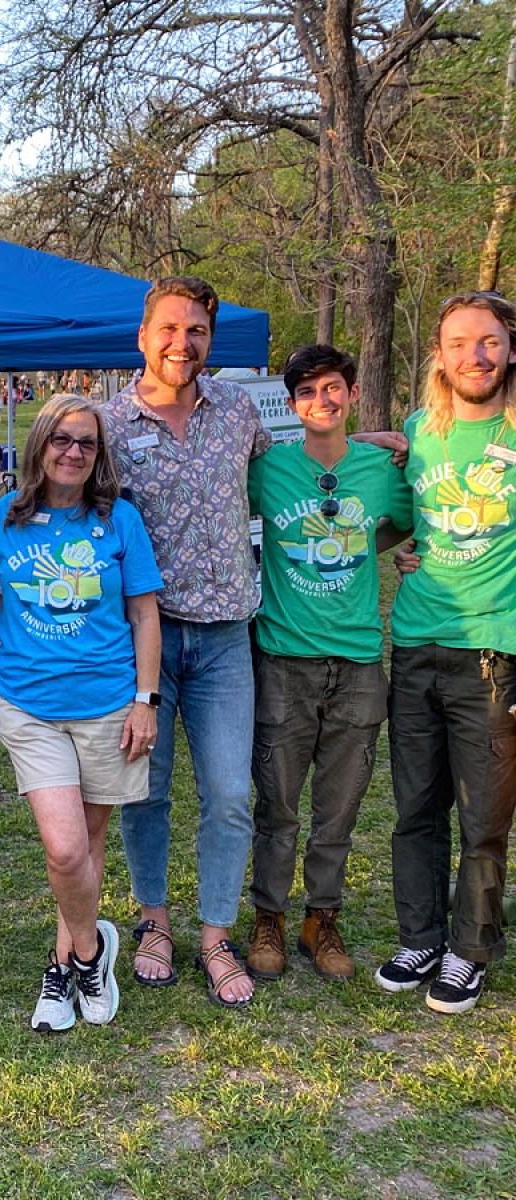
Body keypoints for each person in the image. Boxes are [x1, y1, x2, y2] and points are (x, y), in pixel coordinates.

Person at [100, 276, 271, 1007]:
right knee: (147, 789)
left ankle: (215, 934)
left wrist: (370, 451)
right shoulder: (106, 424)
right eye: (169, 329)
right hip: (146, 636)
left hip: (228, 636)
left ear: (211, 339)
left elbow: (291, 474)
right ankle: (154, 922)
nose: (183, 343)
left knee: (231, 793)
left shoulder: (238, 410)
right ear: (142, 337)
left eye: (196, 330)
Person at [0, 394, 161, 1031]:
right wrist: (16, 619)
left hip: (111, 703)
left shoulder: (120, 522)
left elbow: (144, 613)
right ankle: (92, 951)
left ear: (99, 453)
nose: (74, 451)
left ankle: (61, 971)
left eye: (87, 442)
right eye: (61, 439)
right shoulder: (4, 519)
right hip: (30, 706)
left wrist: (145, 700)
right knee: (64, 848)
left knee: (89, 843)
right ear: (39, 447)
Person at [245, 345, 410, 983]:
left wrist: (371, 547)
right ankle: (269, 916)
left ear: (353, 393)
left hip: (361, 661)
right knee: (279, 805)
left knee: (339, 809)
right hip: (285, 659)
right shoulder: (270, 469)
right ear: (292, 406)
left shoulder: (380, 467)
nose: (323, 400)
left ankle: (323, 916)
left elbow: (402, 523)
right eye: (309, 392)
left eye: (334, 388)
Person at [376, 290, 516, 1015]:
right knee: (415, 805)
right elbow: (398, 522)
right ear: (440, 355)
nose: (475, 356)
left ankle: (470, 949)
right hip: (418, 642)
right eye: (460, 342)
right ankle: (422, 936)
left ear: (510, 349)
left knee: (483, 814)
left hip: (493, 651)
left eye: (488, 341)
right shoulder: (418, 433)